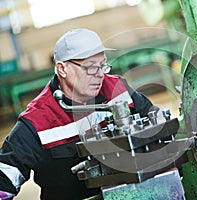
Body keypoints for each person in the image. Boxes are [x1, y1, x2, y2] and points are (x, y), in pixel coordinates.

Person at [0, 28, 159, 200]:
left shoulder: (117, 89)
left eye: (102, 66)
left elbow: (158, 126)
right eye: (90, 68)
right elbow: (5, 178)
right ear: (62, 69)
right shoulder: (37, 121)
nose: (100, 75)